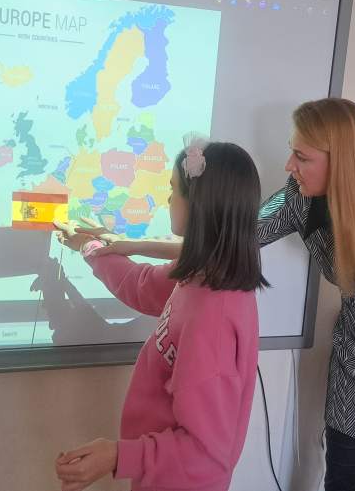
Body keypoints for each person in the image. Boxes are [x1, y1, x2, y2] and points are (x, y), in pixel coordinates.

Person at [85, 99, 355, 491]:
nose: (289, 165)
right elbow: (223, 241)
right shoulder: (298, 200)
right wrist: (127, 245)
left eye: (302, 157)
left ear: (342, 160)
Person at [53, 140, 266, 491]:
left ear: (198, 204)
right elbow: (139, 284)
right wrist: (88, 246)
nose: (168, 199)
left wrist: (117, 456)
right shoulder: (202, 275)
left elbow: (205, 455)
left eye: (172, 189)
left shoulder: (213, 317)